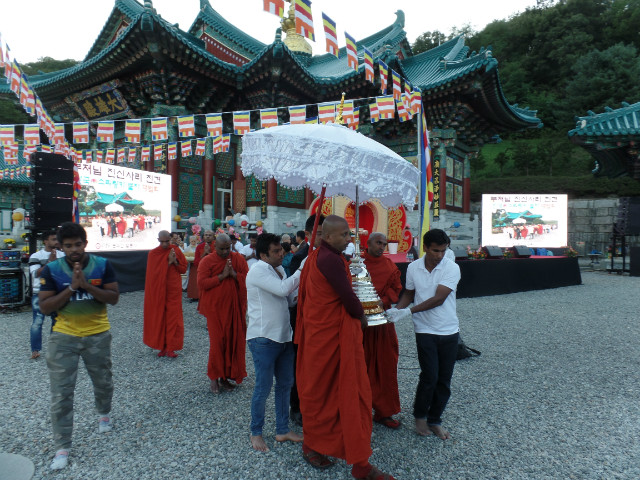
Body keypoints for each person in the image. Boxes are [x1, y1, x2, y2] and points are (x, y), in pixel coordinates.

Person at [296, 215, 394, 480]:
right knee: (338, 394)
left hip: (323, 337)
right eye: (343, 235)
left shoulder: (323, 256)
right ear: (327, 236)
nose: (349, 239)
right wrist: (361, 316)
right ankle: (329, 451)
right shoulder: (329, 259)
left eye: (349, 234)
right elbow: (348, 298)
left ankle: (341, 451)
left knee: (327, 393)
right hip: (329, 338)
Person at [38, 222, 120, 470]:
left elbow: (113, 298)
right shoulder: (51, 270)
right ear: (61, 247)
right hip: (63, 337)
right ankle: (62, 446)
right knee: (61, 393)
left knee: (103, 381)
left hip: (97, 334)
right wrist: (72, 287)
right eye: (68, 246)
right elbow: (45, 307)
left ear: (85, 243)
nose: (74, 249)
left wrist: (87, 285)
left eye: (77, 244)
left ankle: (103, 413)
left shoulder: (102, 265)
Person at [389, 228, 461, 441]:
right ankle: (420, 416)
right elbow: (409, 293)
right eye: (436, 250)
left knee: (444, 379)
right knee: (429, 375)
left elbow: (439, 299)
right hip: (424, 329)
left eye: (443, 250)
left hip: (448, 329)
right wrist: (397, 310)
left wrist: (408, 311)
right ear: (425, 248)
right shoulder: (413, 267)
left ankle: (435, 419)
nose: (440, 255)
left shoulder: (452, 267)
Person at [246, 233, 304, 452]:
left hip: (284, 336)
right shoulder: (257, 270)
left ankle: (282, 430)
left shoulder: (278, 270)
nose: (282, 254)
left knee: (285, 384)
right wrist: (302, 269)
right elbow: (282, 289)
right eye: (276, 251)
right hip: (263, 337)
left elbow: (288, 298)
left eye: (281, 249)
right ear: (263, 255)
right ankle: (256, 432)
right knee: (263, 387)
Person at [197, 233, 249, 393]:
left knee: (232, 342)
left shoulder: (238, 259)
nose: (226, 252)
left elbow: (248, 279)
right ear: (215, 246)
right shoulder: (207, 261)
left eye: (228, 248)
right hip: (215, 310)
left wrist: (234, 275)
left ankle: (225, 377)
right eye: (222, 249)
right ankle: (214, 377)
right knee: (217, 343)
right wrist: (222, 276)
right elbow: (202, 283)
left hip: (234, 308)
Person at [362, 233, 403, 429]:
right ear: (368, 243)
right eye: (378, 243)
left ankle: (384, 412)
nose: (381, 247)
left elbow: (396, 289)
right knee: (359, 367)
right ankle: (358, 410)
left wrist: (383, 301)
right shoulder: (356, 264)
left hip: (382, 322)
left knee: (386, 365)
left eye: (384, 244)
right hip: (360, 323)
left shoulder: (389, 266)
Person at [288, 214, 324, 425]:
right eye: (320, 234)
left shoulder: (331, 255)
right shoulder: (301, 256)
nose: (324, 238)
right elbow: (293, 292)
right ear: (309, 234)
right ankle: (297, 406)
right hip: (302, 317)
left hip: (323, 319)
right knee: (300, 363)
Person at [143, 230, 188, 358]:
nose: (164, 244)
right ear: (158, 240)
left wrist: (175, 262)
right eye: (162, 242)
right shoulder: (153, 254)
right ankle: (162, 346)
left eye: (167, 241)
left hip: (173, 290)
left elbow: (183, 269)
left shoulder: (176, 250)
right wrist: (168, 262)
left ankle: (171, 347)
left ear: (170, 239)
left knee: (173, 318)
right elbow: (153, 275)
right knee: (160, 317)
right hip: (159, 291)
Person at [28, 231, 65, 359]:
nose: (56, 241)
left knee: (57, 321)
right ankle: (35, 350)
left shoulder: (63, 255)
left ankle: (54, 348)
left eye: (57, 239)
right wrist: (50, 262)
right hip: (39, 292)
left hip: (57, 293)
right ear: (45, 241)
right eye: (53, 239)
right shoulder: (36, 256)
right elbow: (35, 273)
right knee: (38, 322)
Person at [188, 229, 215, 301]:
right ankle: (196, 296)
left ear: (213, 237)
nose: (208, 237)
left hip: (214, 269)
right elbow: (196, 262)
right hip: (202, 269)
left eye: (210, 235)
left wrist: (208, 253)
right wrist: (204, 253)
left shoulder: (217, 246)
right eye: (206, 235)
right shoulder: (199, 247)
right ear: (203, 237)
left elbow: (218, 259)